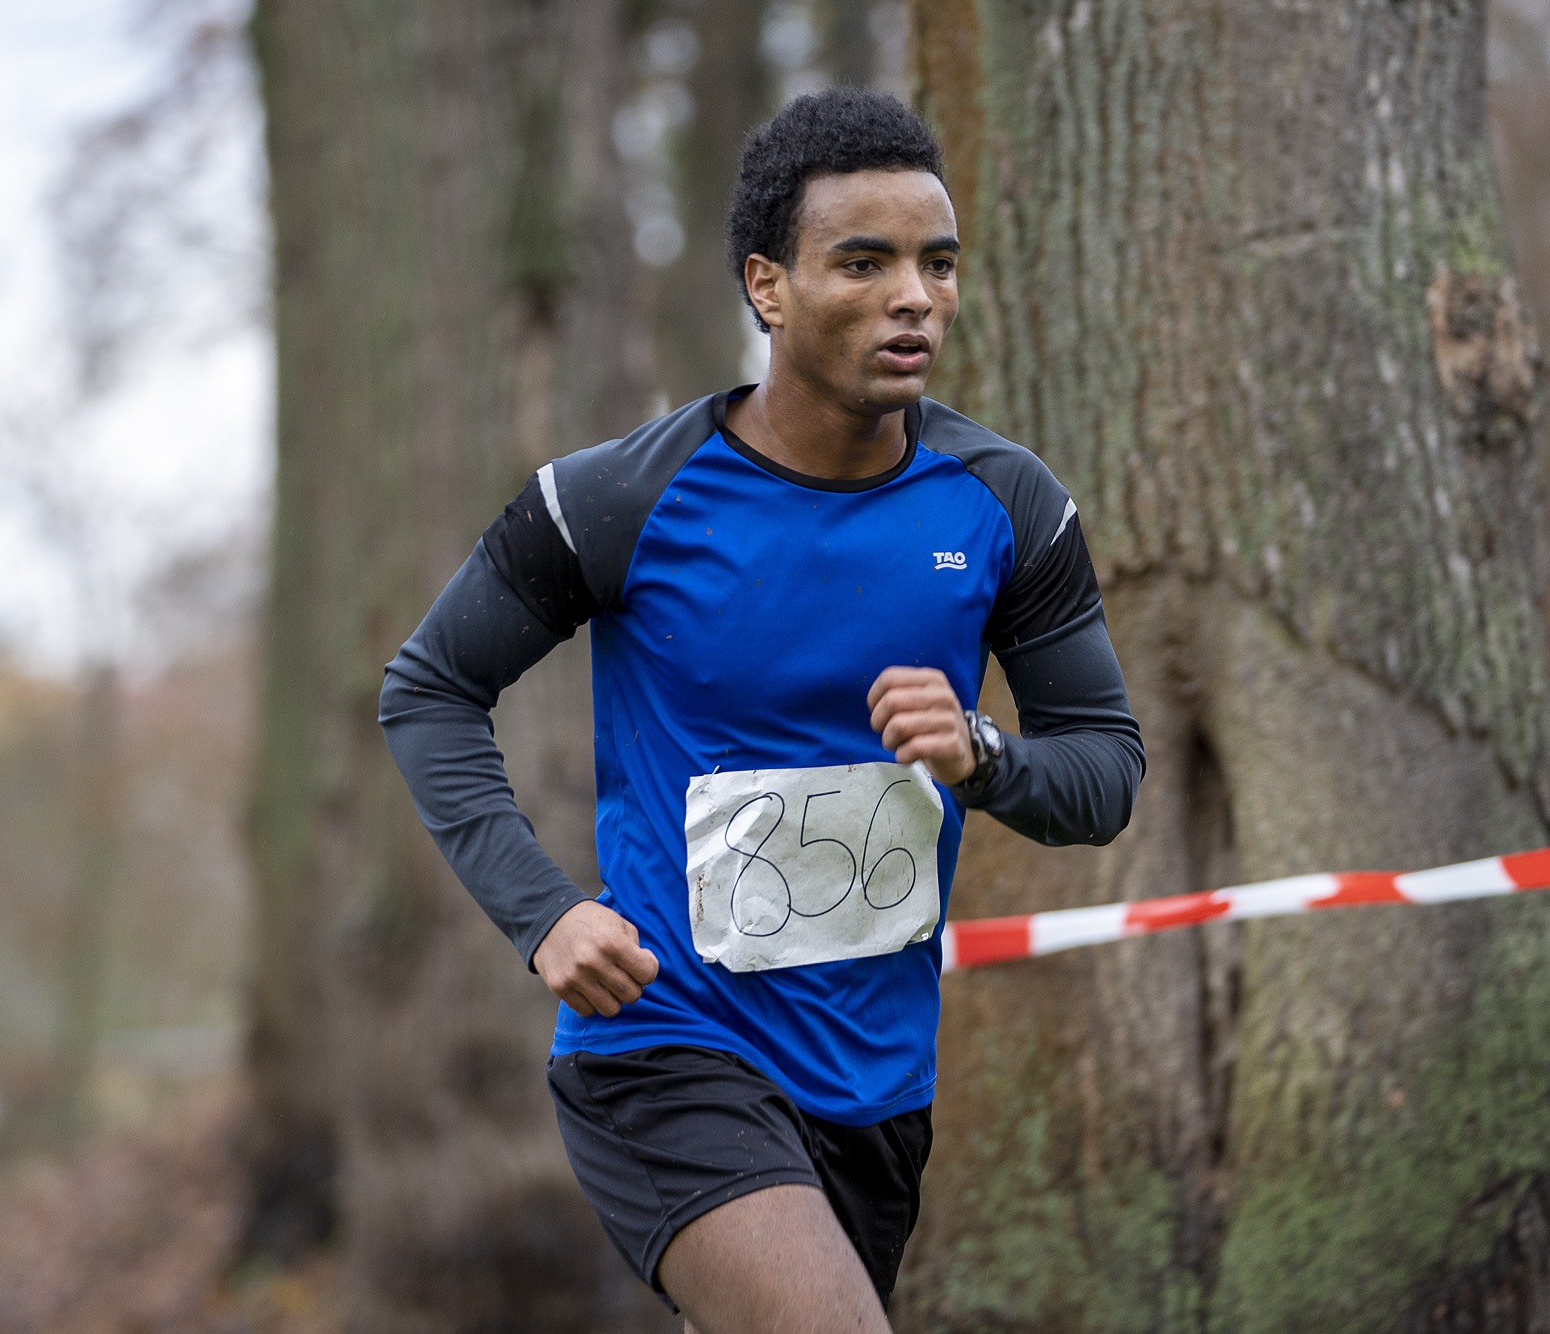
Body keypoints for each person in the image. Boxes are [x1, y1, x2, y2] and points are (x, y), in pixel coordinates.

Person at [380, 88, 1144, 1332]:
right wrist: (543, 911)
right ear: (767, 287)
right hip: (666, 1043)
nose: (914, 296)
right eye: (865, 262)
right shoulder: (619, 500)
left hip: (874, 1083)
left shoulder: (1003, 506)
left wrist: (983, 752)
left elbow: (1105, 773)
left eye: (937, 263)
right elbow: (427, 690)